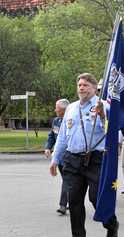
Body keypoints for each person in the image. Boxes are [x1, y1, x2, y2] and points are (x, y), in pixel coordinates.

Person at [50, 73, 119, 237]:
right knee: (74, 201)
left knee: (97, 199)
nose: (82, 88)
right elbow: (62, 136)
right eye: (80, 85)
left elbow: (116, 134)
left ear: (95, 88)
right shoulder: (71, 108)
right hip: (73, 160)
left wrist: (103, 117)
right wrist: (55, 159)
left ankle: (111, 225)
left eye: (86, 85)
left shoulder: (105, 106)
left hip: (96, 159)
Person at [44, 98, 70, 215]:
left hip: (70, 156)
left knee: (67, 180)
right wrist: (48, 147)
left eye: (57, 108)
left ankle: (63, 205)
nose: (55, 110)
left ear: (63, 110)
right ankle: (71, 201)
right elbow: (52, 136)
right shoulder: (56, 121)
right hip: (59, 156)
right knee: (68, 181)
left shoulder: (71, 120)